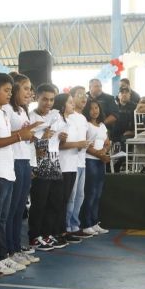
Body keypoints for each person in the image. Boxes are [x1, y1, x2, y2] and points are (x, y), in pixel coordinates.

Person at [0, 73, 38, 277]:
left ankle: (3, 253)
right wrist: (19, 136)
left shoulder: (3, 113)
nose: (10, 93)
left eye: (10, 90)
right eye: (7, 90)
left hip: (7, 170)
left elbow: (8, 139)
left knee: (4, 217)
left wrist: (23, 135)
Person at [4, 73, 40, 264]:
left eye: (30, 88)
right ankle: (8, 249)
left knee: (20, 209)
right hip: (14, 160)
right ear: (15, 89)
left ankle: (16, 246)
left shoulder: (22, 110)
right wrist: (23, 133)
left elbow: (23, 134)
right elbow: (3, 134)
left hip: (24, 159)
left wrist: (31, 134)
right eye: (25, 88)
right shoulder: (7, 110)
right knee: (11, 209)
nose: (29, 92)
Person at [28, 84, 66, 251]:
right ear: (37, 97)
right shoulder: (30, 118)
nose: (48, 103)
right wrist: (43, 137)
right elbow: (28, 144)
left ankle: (46, 234)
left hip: (54, 161)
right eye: (45, 99)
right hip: (39, 162)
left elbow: (58, 140)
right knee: (39, 202)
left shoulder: (55, 115)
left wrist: (62, 137)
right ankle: (34, 236)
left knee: (54, 200)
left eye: (51, 100)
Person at [54, 93, 88, 243]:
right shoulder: (59, 121)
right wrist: (78, 144)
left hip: (72, 165)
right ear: (62, 105)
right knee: (61, 201)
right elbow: (58, 145)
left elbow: (73, 142)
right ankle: (60, 230)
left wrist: (81, 146)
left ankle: (64, 230)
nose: (73, 105)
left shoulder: (70, 122)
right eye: (70, 102)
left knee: (67, 199)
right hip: (62, 164)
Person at [80, 101, 110, 236]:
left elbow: (107, 142)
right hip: (90, 160)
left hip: (100, 161)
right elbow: (85, 143)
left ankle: (94, 222)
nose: (94, 110)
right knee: (90, 193)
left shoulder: (102, 125)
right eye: (91, 108)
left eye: (96, 107)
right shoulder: (86, 124)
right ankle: (86, 224)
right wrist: (98, 154)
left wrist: (104, 150)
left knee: (98, 194)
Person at [66, 86, 90, 238]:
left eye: (85, 95)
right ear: (72, 98)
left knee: (80, 196)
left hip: (82, 161)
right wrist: (79, 144)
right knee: (71, 196)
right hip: (71, 162)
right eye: (79, 95)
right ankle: (66, 226)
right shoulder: (68, 116)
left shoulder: (83, 118)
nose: (84, 98)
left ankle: (75, 225)